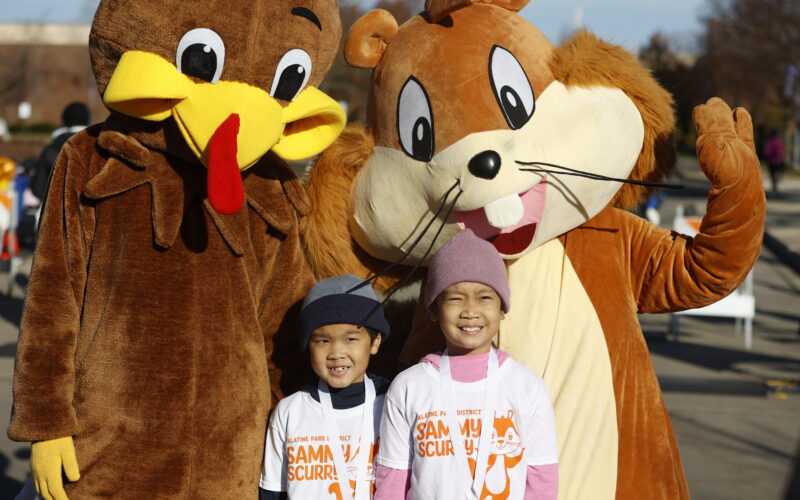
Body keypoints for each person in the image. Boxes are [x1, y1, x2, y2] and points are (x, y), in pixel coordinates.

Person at [375, 229, 559, 500]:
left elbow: (541, 479)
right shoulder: (409, 386)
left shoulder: (528, 387)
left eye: (484, 297)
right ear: (434, 310)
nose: (470, 311)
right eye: (455, 298)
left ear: (502, 309)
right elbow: (392, 481)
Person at [260, 274, 391, 500]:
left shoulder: (393, 402)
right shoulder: (290, 411)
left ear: (375, 342)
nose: (336, 353)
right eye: (322, 341)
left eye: (350, 339)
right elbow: (272, 492)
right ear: (307, 346)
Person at [29, 102, 90, 203]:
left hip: (54, 210)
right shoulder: (98, 147)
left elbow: (38, 187)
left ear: (64, 120)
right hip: (90, 212)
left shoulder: (52, 148)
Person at [763, 130, 786, 196]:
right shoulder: (780, 142)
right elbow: (782, 151)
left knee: (772, 174)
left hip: (771, 161)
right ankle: (775, 185)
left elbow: (766, 151)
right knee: (777, 174)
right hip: (778, 161)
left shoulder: (770, 142)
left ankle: (774, 186)